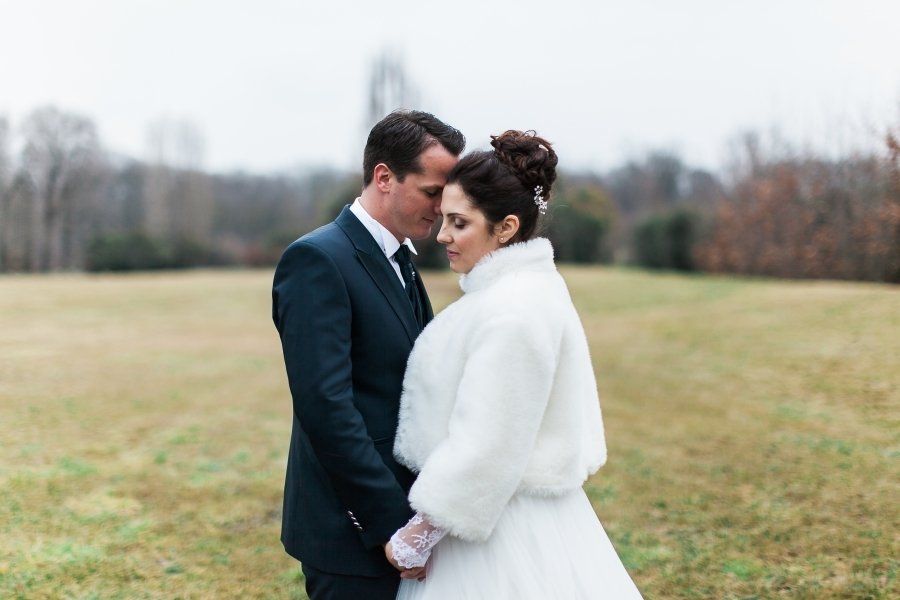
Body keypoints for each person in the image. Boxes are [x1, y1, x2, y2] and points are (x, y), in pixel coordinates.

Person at [386, 130, 644, 599]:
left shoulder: (513, 308)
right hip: (494, 510)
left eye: (459, 223)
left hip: (498, 530)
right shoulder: (519, 291)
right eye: (444, 218)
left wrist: (420, 531)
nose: (442, 234)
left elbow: (490, 437)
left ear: (504, 228)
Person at [272, 110, 465, 599]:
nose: (442, 208)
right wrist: (390, 525)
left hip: (407, 515)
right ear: (384, 177)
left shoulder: (400, 258)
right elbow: (326, 407)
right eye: (431, 192)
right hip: (351, 533)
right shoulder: (318, 260)